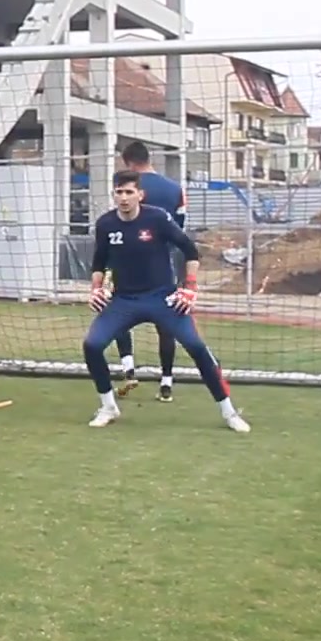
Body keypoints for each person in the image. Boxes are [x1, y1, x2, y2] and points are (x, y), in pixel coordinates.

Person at [84, 170, 249, 433]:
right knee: (92, 345)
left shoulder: (157, 219)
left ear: (140, 194)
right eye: (119, 192)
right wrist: (96, 289)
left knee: (197, 347)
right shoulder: (105, 224)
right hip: (124, 300)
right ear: (113, 194)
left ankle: (229, 412)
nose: (124, 197)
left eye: (129, 192)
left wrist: (190, 288)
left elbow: (190, 250)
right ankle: (108, 406)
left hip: (163, 298)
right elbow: (99, 263)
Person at [107, 141, 189, 401]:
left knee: (118, 312)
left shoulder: (127, 186)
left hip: (128, 263)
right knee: (166, 324)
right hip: (162, 265)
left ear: (127, 161)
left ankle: (129, 368)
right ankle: (166, 382)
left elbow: (117, 223)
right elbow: (180, 229)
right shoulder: (176, 190)